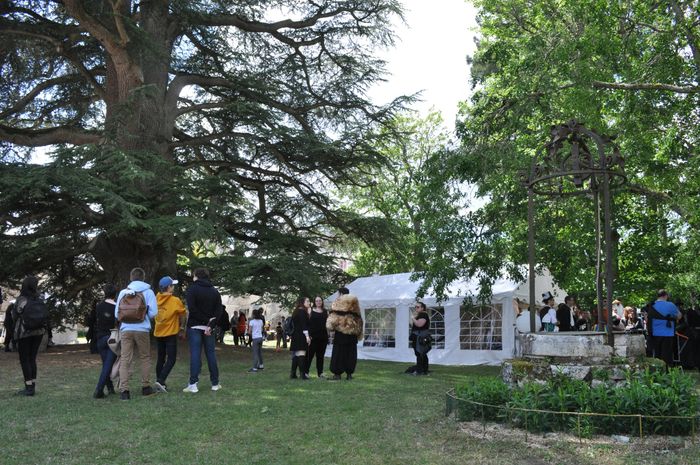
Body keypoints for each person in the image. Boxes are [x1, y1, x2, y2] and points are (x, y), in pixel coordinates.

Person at [115, 267, 159, 400]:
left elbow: (117, 313)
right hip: (142, 329)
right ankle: (145, 387)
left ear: (131, 277)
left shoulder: (123, 292)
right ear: (143, 277)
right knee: (145, 357)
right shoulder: (148, 292)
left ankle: (124, 391)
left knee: (125, 359)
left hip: (126, 329)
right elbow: (154, 313)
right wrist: (143, 316)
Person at [183, 268, 223, 393]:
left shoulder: (192, 289)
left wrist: (206, 321)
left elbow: (192, 309)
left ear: (196, 276)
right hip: (208, 327)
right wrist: (210, 323)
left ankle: (193, 384)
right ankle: (215, 383)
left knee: (195, 354)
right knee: (210, 354)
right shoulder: (215, 291)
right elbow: (219, 311)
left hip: (195, 326)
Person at [11, 275, 46, 396]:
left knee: (24, 359)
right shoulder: (39, 299)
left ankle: (29, 387)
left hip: (24, 332)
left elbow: (15, 315)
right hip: (39, 332)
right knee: (32, 358)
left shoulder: (22, 299)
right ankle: (33, 385)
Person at [154, 276, 186, 393]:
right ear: (168, 287)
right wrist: (182, 328)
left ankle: (159, 382)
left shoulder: (155, 298)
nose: (173, 287)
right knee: (171, 358)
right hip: (170, 333)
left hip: (158, 332)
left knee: (160, 358)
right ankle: (161, 380)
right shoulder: (175, 300)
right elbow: (183, 314)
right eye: (172, 285)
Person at [327, 293, 363, 380]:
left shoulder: (338, 304)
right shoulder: (355, 303)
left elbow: (330, 325)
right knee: (350, 355)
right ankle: (349, 374)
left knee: (338, 355)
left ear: (340, 294)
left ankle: (337, 374)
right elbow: (359, 321)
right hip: (352, 336)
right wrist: (358, 333)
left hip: (341, 336)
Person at [92, 284, 118, 398]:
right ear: (115, 294)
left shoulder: (99, 306)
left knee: (105, 364)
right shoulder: (116, 307)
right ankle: (99, 389)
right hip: (112, 337)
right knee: (108, 365)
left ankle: (110, 388)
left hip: (100, 338)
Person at [647, 289, 681, 368]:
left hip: (654, 333)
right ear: (666, 296)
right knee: (667, 354)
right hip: (668, 332)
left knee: (657, 354)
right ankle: (667, 371)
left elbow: (647, 319)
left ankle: (657, 371)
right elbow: (679, 316)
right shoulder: (670, 305)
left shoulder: (651, 305)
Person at [306, 296, 329, 378]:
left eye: (320, 301)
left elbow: (328, 324)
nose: (318, 302)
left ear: (322, 302)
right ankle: (306, 372)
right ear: (314, 302)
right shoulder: (310, 311)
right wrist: (308, 335)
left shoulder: (325, 311)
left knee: (320, 356)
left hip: (323, 337)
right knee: (310, 356)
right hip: (313, 337)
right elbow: (307, 324)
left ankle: (320, 373)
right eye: (317, 301)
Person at [289, 297, 311, 380]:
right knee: (301, 354)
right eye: (307, 301)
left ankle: (293, 374)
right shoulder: (302, 312)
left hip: (296, 335)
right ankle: (302, 375)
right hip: (301, 335)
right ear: (303, 302)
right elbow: (304, 325)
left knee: (297, 354)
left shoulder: (297, 311)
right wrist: (307, 336)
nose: (309, 302)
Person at [410, 301, 431, 376]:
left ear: (422, 308)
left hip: (420, 338)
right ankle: (423, 370)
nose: (416, 308)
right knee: (421, 354)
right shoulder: (421, 314)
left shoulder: (423, 314)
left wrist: (413, 318)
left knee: (420, 353)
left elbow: (419, 324)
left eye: (418, 307)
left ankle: (420, 371)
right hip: (419, 337)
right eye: (415, 307)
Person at [247, 308, 265, 372]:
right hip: (260, 338)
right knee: (259, 352)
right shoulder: (261, 321)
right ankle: (261, 365)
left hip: (255, 338)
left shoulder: (252, 322)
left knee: (255, 353)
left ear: (253, 315)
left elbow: (249, 332)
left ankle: (254, 368)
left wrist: (249, 333)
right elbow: (262, 330)